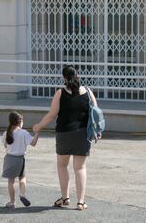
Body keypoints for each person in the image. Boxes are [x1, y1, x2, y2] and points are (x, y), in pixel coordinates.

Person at [33, 65, 101, 211]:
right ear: (78, 76)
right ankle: (81, 202)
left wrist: (38, 126)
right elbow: (97, 112)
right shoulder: (88, 92)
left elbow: (52, 114)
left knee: (62, 165)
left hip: (64, 134)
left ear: (63, 78)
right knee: (80, 168)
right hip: (83, 134)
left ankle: (65, 198)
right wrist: (99, 131)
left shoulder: (60, 93)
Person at [2, 111, 39, 208]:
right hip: (20, 159)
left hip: (9, 158)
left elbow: (5, 145)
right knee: (22, 178)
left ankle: (12, 202)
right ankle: (22, 194)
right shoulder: (24, 133)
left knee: (11, 181)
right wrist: (37, 134)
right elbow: (33, 143)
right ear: (20, 122)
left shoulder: (6, 132)